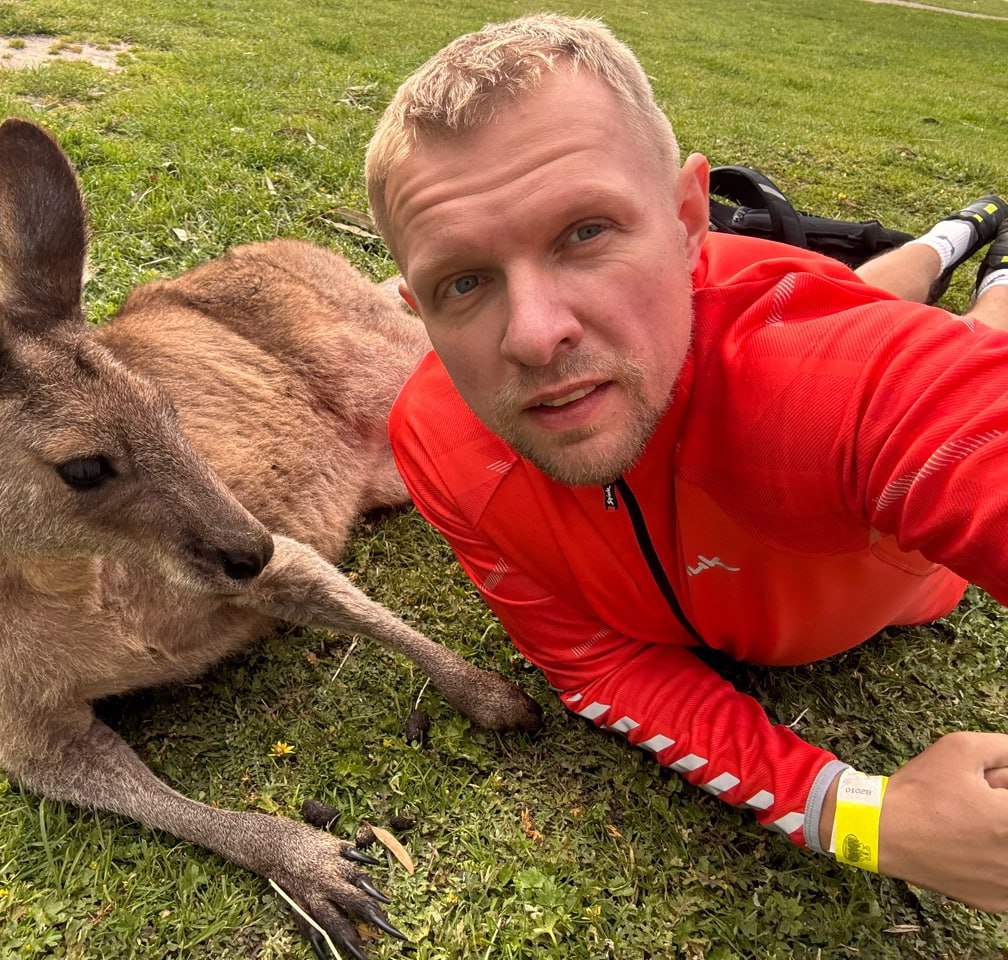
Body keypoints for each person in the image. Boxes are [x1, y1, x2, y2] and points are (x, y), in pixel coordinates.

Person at [364, 13, 1008, 911]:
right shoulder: (434, 436)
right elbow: (596, 664)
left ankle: (996, 271)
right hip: (721, 319)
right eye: (463, 283)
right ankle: (957, 230)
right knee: (855, 290)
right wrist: (862, 816)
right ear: (415, 310)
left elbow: (962, 415)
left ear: (686, 218)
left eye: (585, 232)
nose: (534, 336)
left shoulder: (832, 381)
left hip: (867, 509)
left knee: (971, 331)